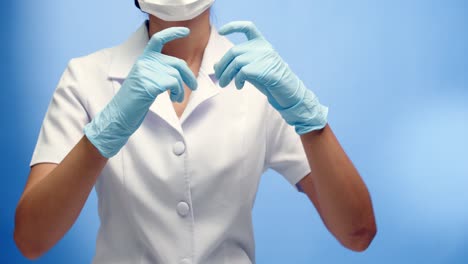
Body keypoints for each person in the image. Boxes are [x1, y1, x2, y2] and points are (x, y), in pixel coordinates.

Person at [14, 0, 377, 263]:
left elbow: (357, 232)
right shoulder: (86, 77)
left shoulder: (261, 81)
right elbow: (32, 240)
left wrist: (308, 116)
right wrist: (104, 134)